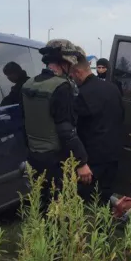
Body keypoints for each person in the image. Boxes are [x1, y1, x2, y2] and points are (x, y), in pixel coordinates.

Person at [20, 39, 92, 196]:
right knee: (60, 205)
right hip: (55, 159)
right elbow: (66, 129)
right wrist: (81, 162)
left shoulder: (28, 84)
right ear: (65, 62)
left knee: (41, 201)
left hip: (34, 156)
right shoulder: (61, 87)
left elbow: (24, 122)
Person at [70, 57, 125, 204]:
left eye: (72, 76)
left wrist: (80, 160)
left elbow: (74, 126)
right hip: (113, 154)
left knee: (86, 200)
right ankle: (104, 226)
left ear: (77, 72)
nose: (72, 79)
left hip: (92, 159)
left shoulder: (82, 94)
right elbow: (121, 116)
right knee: (106, 198)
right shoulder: (112, 88)